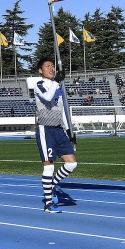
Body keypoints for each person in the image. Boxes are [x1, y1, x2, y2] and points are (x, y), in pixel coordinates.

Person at [33, 57, 77, 213]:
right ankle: (48, 203)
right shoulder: (38, 85)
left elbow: (62, 109)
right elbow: (47, 97)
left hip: (59, 129)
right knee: (49, 166)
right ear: (40, 70)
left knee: (71, 164)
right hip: (46, 129)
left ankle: (51, 185)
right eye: (47, 66)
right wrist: (57, 83)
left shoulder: (58, 86)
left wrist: (69, 130)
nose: (51, 68)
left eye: (53, 66)